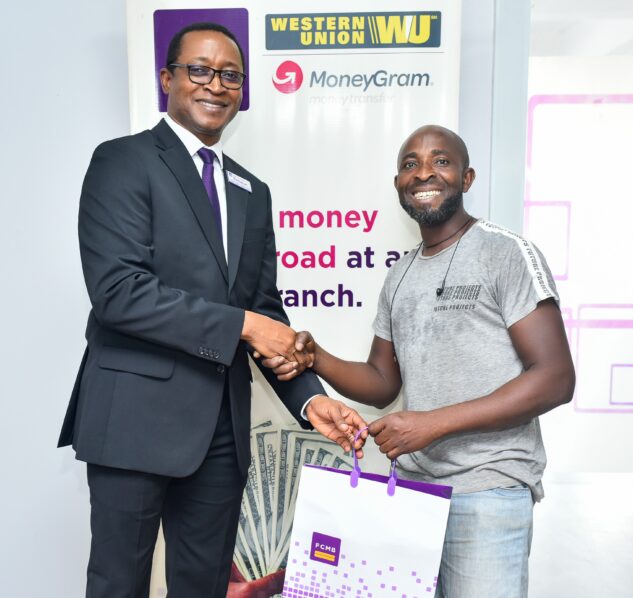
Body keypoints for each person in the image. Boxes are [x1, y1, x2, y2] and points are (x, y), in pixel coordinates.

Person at [57, 22, 366, 598]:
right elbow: (120, 292)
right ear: (167, 78)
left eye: (230, 75)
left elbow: (264, 314)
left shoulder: (254, 191)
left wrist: (313, 399)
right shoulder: (122, 162)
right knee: (118, 584)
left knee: (204, 587)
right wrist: (244, 325)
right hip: (133, 423)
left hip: (222, 432)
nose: (215, 85)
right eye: (199, 69)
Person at [263, 125, 575, 598]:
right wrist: (316, 358)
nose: (424, 172)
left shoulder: (505, 252)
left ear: (467, 178)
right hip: (411, 497)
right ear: (397, 185)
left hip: (489, 491)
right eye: (410, 164)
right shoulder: (401, 273)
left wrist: (431, 424)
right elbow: (382, 381)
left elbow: (555, 379)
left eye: (440, 161)